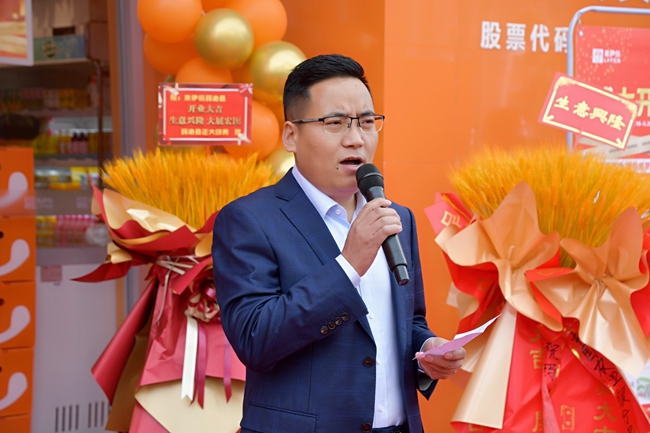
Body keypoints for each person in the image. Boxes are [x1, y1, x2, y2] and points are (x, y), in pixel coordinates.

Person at [212, 53, 465, 433]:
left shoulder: (396, 217)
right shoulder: (250, 219)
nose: (356, 138)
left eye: (367, 122)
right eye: (335, 123)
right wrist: (348, 266)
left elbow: (407, 320)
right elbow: (255, 339)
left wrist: (427, 350)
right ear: (291, 135)